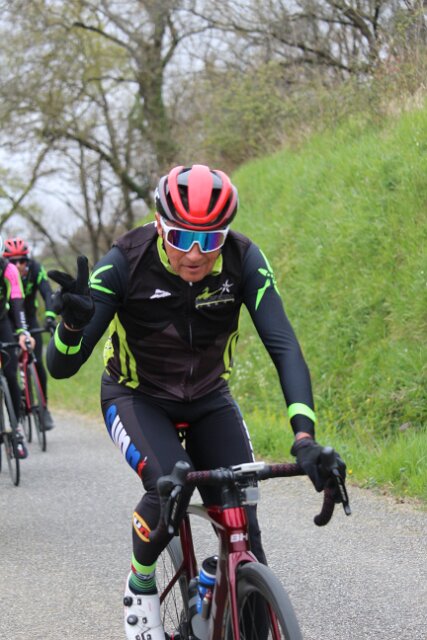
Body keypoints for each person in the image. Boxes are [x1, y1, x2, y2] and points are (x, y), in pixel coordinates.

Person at [46, 164, 346, 640]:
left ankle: (227, 594)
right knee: (170, 485)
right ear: (160, 225)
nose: (194, 254)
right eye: (181, 237)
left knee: (243, 525)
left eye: (209, 241)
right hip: (137, 396)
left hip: (208, 397)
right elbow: (61, 367)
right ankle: (141, 582)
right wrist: (71, 327)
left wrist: (305, 437)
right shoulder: (124, 261)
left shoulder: (244, 259)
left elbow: (284, 346)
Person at [3, 238, 56, 430]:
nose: (19, 265)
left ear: (28, 260)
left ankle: (44, 408)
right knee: (10, 365)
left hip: (30, 318)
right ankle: (16, 396)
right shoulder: (6, 272)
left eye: (22, 260)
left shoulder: (36, 269)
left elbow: (47, 293)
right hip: (9, 320)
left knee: (37, 361)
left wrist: (50, 316)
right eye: (13, 261)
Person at [0, 236, 35, 458]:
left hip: (2, 320)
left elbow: (17, 302)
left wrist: (22, 332)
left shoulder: (9, 269)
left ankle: (17, 430)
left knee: (11, 375)